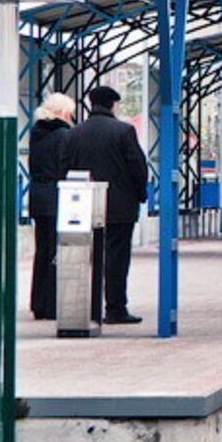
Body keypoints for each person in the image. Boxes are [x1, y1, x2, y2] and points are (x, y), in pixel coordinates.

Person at [60, 85, 150, 324]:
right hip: (120, 208)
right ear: (112, 105)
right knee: (116, 260)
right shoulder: (123, 131)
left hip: (83, 207)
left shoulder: (74, 133)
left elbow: (63, 167)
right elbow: (138, 167)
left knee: (86, 258)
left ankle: (86, 310)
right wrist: (140, 195)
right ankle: (115, 308)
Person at [27, 93, 76, 321]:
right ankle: (52, 304)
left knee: (42, 251)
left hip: (38, 195)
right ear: (63, 112)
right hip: (57, 196)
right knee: (56, 252)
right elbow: (65, 166)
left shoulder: (36, 133)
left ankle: (38, 303)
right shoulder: (64, 135)